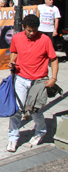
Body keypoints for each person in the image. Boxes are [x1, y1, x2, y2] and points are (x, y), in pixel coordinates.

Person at [6, 14, 58, 152]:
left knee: (35, 110)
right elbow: (14, 52)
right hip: (21, 78)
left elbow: (54, 59)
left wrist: (53, 78)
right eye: (29, 30)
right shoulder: (17, 38)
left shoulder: (45, 39)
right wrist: (12, 61)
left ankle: (40, 131)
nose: (32, 33)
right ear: (24, 27)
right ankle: (12, 138)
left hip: (39, 80)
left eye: (35, 30)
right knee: (17, 109)